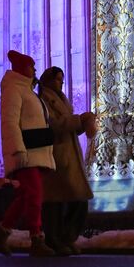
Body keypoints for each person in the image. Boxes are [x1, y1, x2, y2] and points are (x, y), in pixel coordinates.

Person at [0, 50, 55, 257]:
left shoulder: (28, 91)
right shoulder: (13, 90)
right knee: (34, 194)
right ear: (21, 68)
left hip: (34, 152)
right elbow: (10, 122)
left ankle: (1, 232)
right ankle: (36, 238)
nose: (34, 70)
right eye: (31, 66)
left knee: (26, 196)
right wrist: (18, 150)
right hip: (24, 153)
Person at [36, 66, 95, 255]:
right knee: (55, 201)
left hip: (68, 154)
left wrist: (81, 125)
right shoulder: (43, 99)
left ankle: (67, 238)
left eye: (62, 79)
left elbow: (66, 124)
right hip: (56, 155)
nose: (60, 82)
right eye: (57, 79)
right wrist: (79, 120)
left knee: (77, 198)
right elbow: (51, 124)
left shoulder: (61, 98)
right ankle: (55, 240)